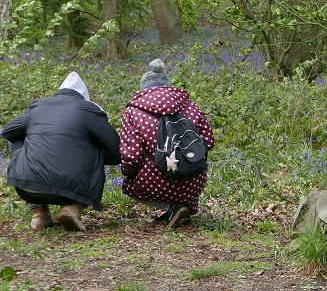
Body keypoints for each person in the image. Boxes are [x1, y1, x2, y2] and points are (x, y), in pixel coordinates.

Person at [1, 72, 121, 232]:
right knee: (98, 146)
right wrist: (91, 156)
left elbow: (8, 131)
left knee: (19, 136)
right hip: (72, 190)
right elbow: (115, 149)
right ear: (83, 96)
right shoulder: (88, 109)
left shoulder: (38, 105)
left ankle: (39, 212)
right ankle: (71, 208)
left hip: (27, 188)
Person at [120, 59, 215, 229]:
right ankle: (179, 206)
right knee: (183, 177)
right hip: (193, 178)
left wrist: (129, 175)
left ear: (143, 88)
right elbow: (207, 142)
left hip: (153, 182)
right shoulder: (191, 106)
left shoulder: (133, 112)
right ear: (168, 86)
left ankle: (172, 207)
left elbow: (131, 156)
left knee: (128, 186)